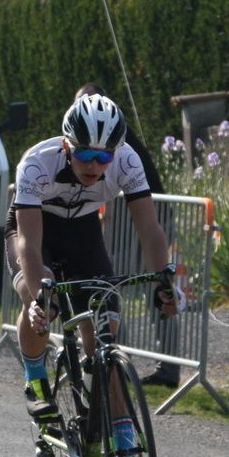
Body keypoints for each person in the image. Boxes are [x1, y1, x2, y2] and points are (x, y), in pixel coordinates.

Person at [8, 93, 180, 457]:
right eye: (85, 154)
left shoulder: (126, 161)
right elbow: (29, 245)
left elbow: (150, 229)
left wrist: (164, 281)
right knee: (41, 293)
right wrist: (38, 298)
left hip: (84, 234)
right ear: (67, 145)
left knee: (106, 337)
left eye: (103, 158)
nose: (94, 166)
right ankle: (35, 380)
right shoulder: (37, 162)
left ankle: (125, 448)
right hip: (35, 234)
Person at [75, 83, 170, 383]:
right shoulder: (111, 130)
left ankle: (117, 360)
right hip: (141, 216)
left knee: (118, 287)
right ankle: (119, 359)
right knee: (119, 287)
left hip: (140, 218)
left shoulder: (112, 136)